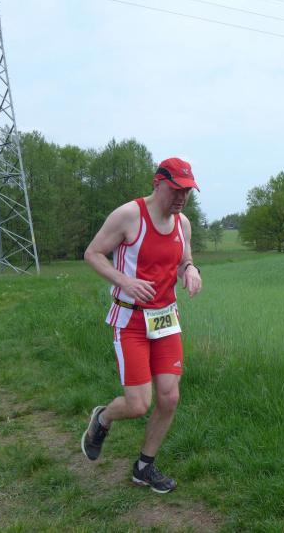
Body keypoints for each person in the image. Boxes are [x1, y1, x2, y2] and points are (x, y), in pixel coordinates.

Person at [81, 157, 203, 494]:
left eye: (187, 192)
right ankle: (103, 418)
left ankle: (144, 467)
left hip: (165, 319)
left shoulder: (183, 223)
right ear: (157, 183)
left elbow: (184, 259)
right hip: (131, 319)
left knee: (170, 397)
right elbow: (93, 253)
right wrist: (125, 281)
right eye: (176, 190)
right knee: (138, 404)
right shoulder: (128, 216)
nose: (181, 197)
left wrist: (191, 270)